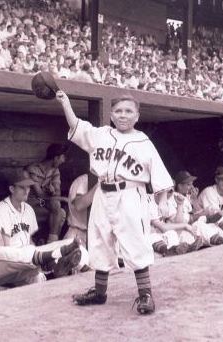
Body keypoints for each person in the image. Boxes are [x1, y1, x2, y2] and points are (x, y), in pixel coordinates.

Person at [56, 90, 173, 315]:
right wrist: (66, 104)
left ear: (137, 116)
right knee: (99, 240)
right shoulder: (101, 134)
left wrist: (164, 199)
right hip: (103, 193)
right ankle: (99, 292)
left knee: (135, 241)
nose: (123, 115)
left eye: (128, 111)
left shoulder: (143, 142)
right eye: (118, 111)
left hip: (130, 194)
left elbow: (159, 174)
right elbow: (78, 127)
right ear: (111, 114)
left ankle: (145, 294)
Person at [0, 168, 83, 289]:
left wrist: (35, 251)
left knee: (71, 245)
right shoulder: (1, 210)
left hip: (27, 260)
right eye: (22, 187)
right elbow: (4, 248)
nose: (27, 191)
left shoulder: (28, 210)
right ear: (12, 189)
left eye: (29, 187)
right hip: (10, 265)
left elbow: (27, 239)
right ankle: (50, 263)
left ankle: (55, 264)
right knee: (29, 269)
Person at [26, 143, 68, 243]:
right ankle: (45, 240)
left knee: (61, 211)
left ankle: (51, 240)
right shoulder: (33, 169)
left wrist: (53, 191)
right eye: (62, 158)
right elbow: (39, 193)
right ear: (55, 158)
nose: (63, 160)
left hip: (46, 205)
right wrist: (50, 193)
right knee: (57, 208)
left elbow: (57, 192)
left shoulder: (55, 171)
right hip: (32, 205)